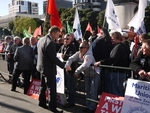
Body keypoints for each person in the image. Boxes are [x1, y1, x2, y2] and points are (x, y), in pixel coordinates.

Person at [36, 26, 70, 113]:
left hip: (41, 67)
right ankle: (53, 107)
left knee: (43, 86)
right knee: (52, 89)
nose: (58, 36)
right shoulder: (49, 42)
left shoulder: (41, 39)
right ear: (53, 33)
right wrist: (64, 66)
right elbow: (53, 58)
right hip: (48, 69)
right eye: (58, 34)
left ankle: (41, 102)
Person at [65, 41, 100, 113]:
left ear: (86, 48)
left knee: (93, 91)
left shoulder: (89, 55)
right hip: (87, 74)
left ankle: (92, 107)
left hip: (94, 74)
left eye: (81, 47)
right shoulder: (79, 53)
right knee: (87, 90)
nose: (79, 49)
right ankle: (88, 106)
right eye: (79, 47)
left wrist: (76, 71)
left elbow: (85, 65)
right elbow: (71, 58)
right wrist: (67, 65)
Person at [94, 31, 130, 96]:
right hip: (117, 72)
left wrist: (101, 62)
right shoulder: (118, 46)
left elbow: (112, 59)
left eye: (112, 38)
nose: (111, 40)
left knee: (116, 91)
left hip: (117, 72)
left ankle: (118, 105)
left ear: (117, 38)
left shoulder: (119, 47)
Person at [58, 34, 76, 108]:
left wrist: (64, 56)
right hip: (62, 70)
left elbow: (72, 56)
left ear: (71, 40)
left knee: (70, 86)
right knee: (65, 85)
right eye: (65, 39)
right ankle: (64, 99)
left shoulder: (73, 47)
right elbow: (58, 54)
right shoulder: (62, 47)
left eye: (67, 39)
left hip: (70, 70)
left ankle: (71, 101)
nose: (65, 40)